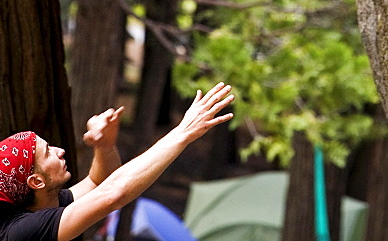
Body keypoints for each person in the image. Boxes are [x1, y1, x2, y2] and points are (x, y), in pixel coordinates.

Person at [0, 83, 233, 241]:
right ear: (36, 181)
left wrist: (105, 146)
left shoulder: (43, 202)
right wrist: (183, 133)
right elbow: (112, 195)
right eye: (48, 152)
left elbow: (98, 182)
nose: (60, 151)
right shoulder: (20, 231)